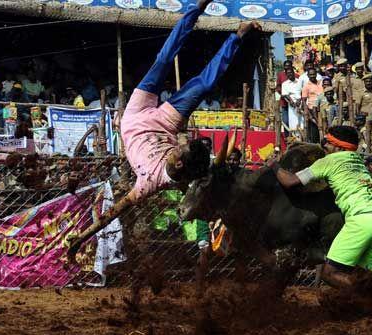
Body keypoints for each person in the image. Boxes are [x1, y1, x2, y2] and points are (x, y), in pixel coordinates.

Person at [67, 0, 260, 260]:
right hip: (164, 122)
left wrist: (82, 237)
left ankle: (232, 34)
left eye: (181, 148)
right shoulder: (182, 159)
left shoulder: (149, 183)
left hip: (134, 117)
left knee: (188, 75)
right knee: (180, 68)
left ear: (179, 164)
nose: (180, 144)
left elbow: (112, 213)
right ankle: (210, 18)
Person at [268, 125, 372, 288]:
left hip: (361, 222)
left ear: (339, 146)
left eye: (328, 144)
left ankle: (367, 296)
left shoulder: (330, 161)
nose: (325, 147)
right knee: (368, 277)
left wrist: (273, 164)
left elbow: (289, 181)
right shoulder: (358, 161)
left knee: (330, 273)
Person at [301, 67, 323, 143]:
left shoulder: (321, 83)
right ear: (308, 75)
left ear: (316, 74)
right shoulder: (306, 86)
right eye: (311, 75)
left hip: (322, 109)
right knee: (314, 133)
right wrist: (308, 114)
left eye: (314, 74)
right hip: (312, 111)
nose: (312, 76)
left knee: (323, 129)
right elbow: (304, 100)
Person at [281, 68, 303, 133]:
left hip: (301, 102)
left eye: (291, 72)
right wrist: (291, 101)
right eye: (288, 73)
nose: (290, 74)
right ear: (286, 75)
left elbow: (303, 92)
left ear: (294, 73)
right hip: (291, 104)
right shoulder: (284, 84)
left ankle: (302, 138)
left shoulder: (299, 81)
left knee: (302, 122)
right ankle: (294, 138)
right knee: (293, 122)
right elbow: (285, 94)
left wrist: (299, 100)